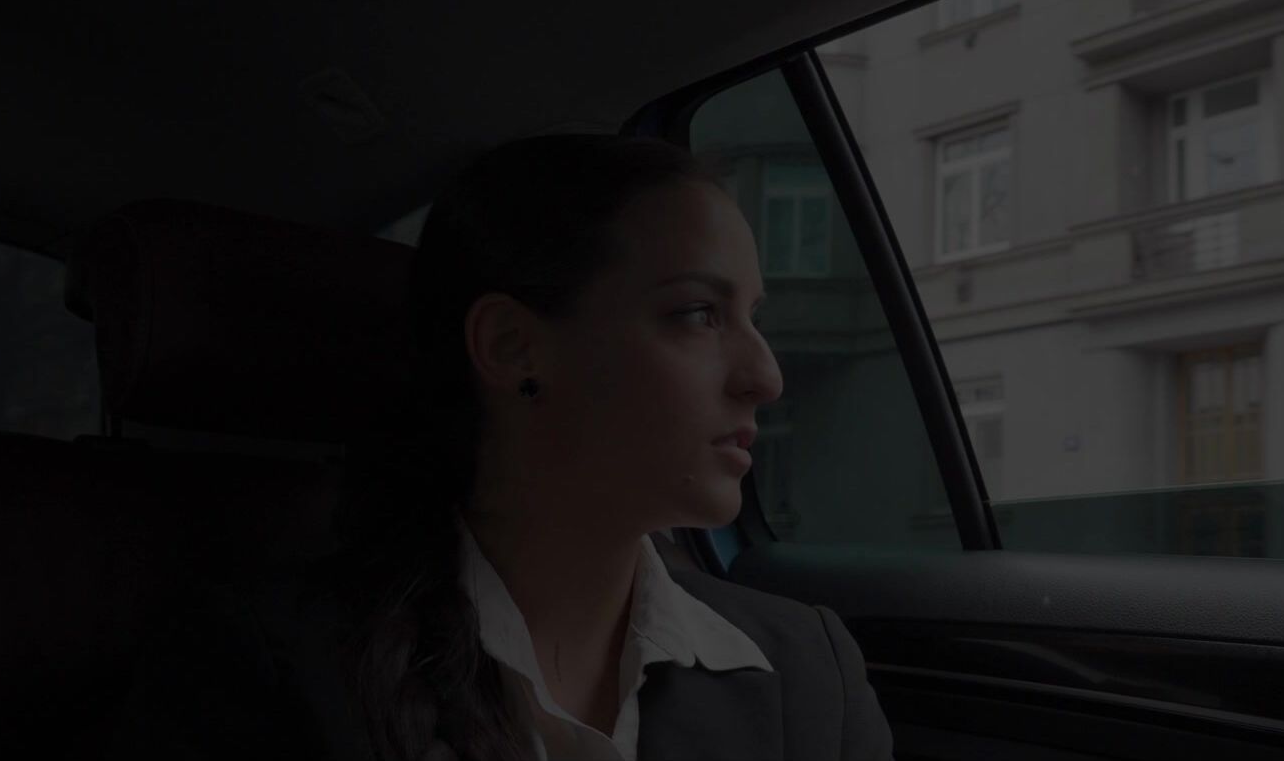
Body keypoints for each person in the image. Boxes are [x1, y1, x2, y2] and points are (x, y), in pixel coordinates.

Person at [113, 135, 894, 761]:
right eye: (697, 314)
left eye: (755, 317)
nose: (766, 376)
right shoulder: (265, 668)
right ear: (513, 346)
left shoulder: (808, 671)